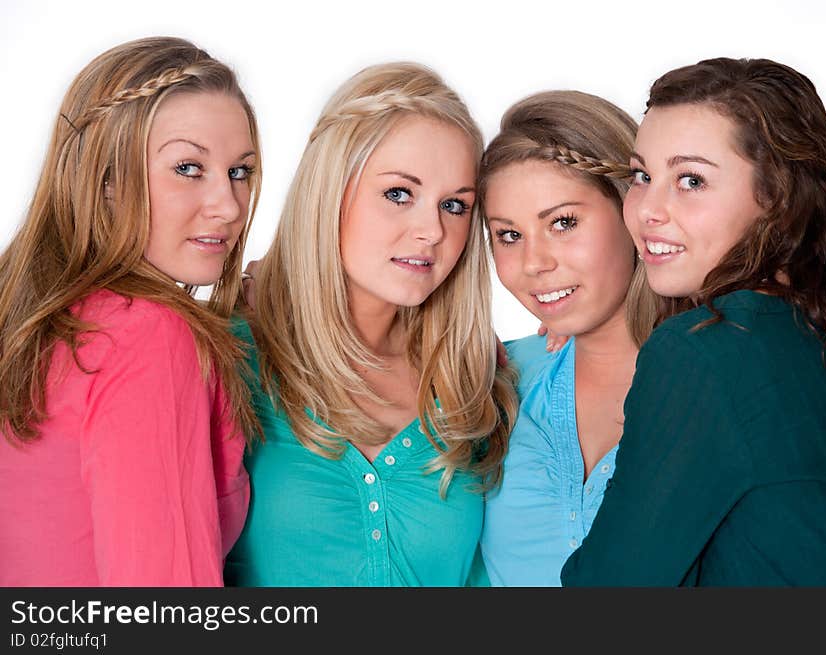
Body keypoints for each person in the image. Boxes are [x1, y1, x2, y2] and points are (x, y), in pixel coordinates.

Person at [562, 57, 826, 586]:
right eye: (643, 176)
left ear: (774, 196)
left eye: (690, 180)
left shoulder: (703, 354)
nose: (647, 210)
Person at [224, 62, 517, 587]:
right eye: (399, 193)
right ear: (330, 191)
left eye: (454, 206)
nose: (431, 230)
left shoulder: (472, 379)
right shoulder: (231, 357)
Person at [0, 37, 261, 586]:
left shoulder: (30, 321)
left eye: (240, 171)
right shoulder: (150, 334)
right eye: (189, 168)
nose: (229, 205)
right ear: (106, 181)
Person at [476, 91, 661, 586]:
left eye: (563, 223)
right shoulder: (492, 381)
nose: (535, 264)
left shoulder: (725, 377)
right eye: (508, 235)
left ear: (633, 212)